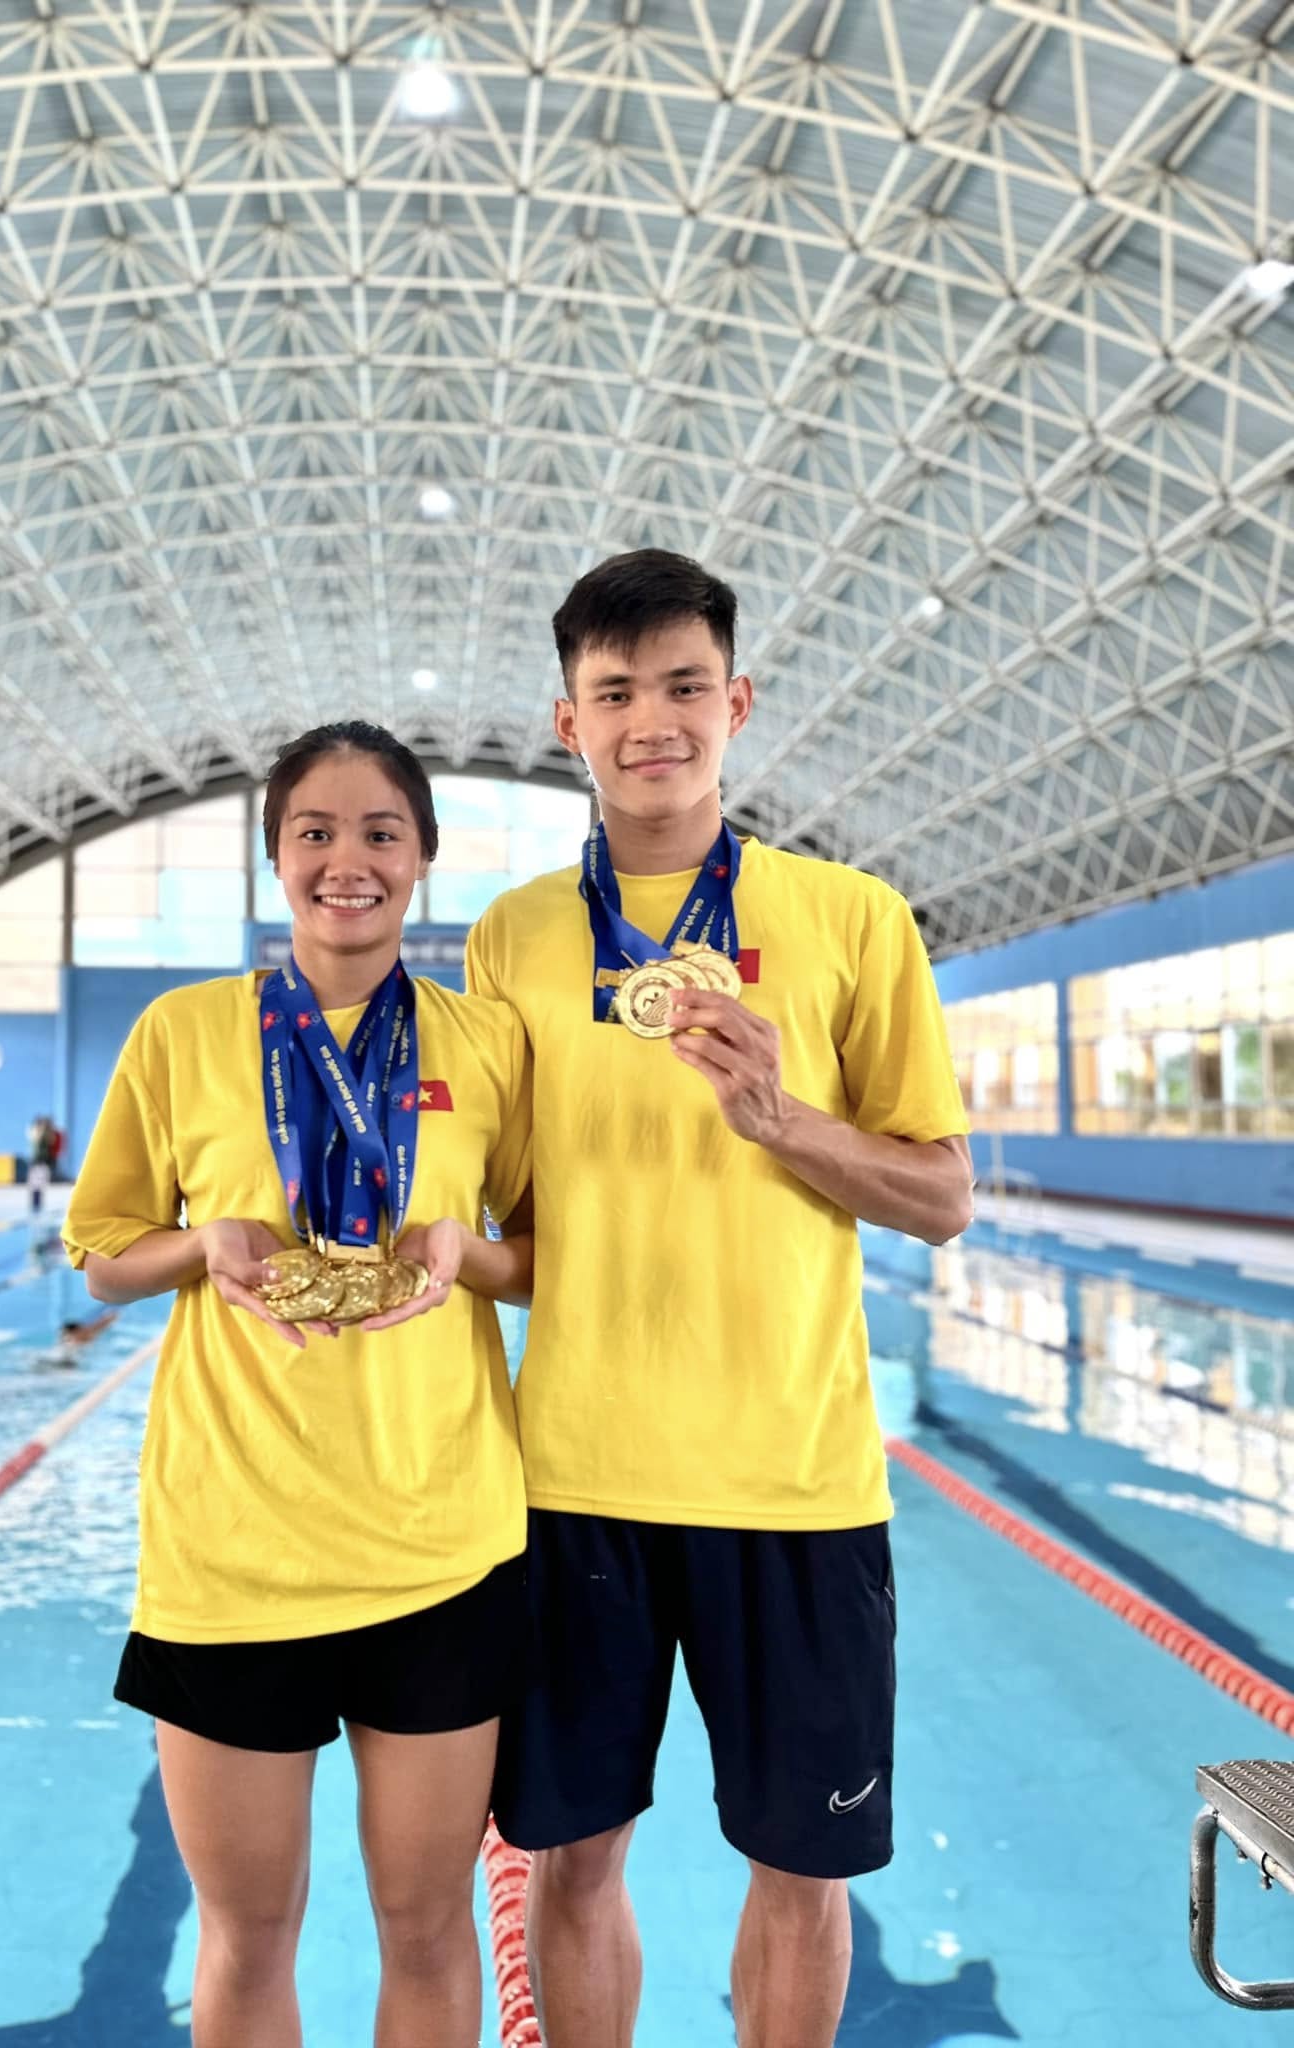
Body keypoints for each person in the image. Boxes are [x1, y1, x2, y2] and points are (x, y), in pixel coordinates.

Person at [465, 549, 973, 2048]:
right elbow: (525, 1226)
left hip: (795, 1485)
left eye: (684, 686)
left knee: (802, 1873)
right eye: (615, 693)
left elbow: (943, 1197)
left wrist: (784, 1121)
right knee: (571, 1860)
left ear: (735, 701)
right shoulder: (514, 938)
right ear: (570, 723)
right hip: (577, 1482)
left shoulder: (853, 916)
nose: (653, 721)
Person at [62, 722, 533, 2048]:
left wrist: (467, 1251)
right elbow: (102, 1257)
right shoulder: (184, 1031)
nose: (348, 860)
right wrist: (202, 1246)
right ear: (277, 857)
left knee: (431, 1931)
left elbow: (547, 1258)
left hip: (436, 1542)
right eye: (316, 832)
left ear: (424, 858)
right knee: (248, 1937)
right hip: (233, 1549)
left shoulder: (482, 1042)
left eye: (381, 831)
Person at [33, 1309, 118, 1369]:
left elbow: (97, 1328)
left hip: (58, 1363)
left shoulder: (69, 1341)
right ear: (76, 1332)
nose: (88, 1332)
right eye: (84, 1330)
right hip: (62, 1364)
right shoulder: (72, 1343)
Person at [26, 1114, 62, 1214]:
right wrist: (41, 1129)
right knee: (35, 1184)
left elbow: (53, 1141)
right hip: (36, 1161)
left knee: (41, 1184)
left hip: (45, 1161)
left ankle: (39, 1205)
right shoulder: (36, 1132)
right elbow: (35, 1137)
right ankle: (35, 1205)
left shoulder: (50, 1134)